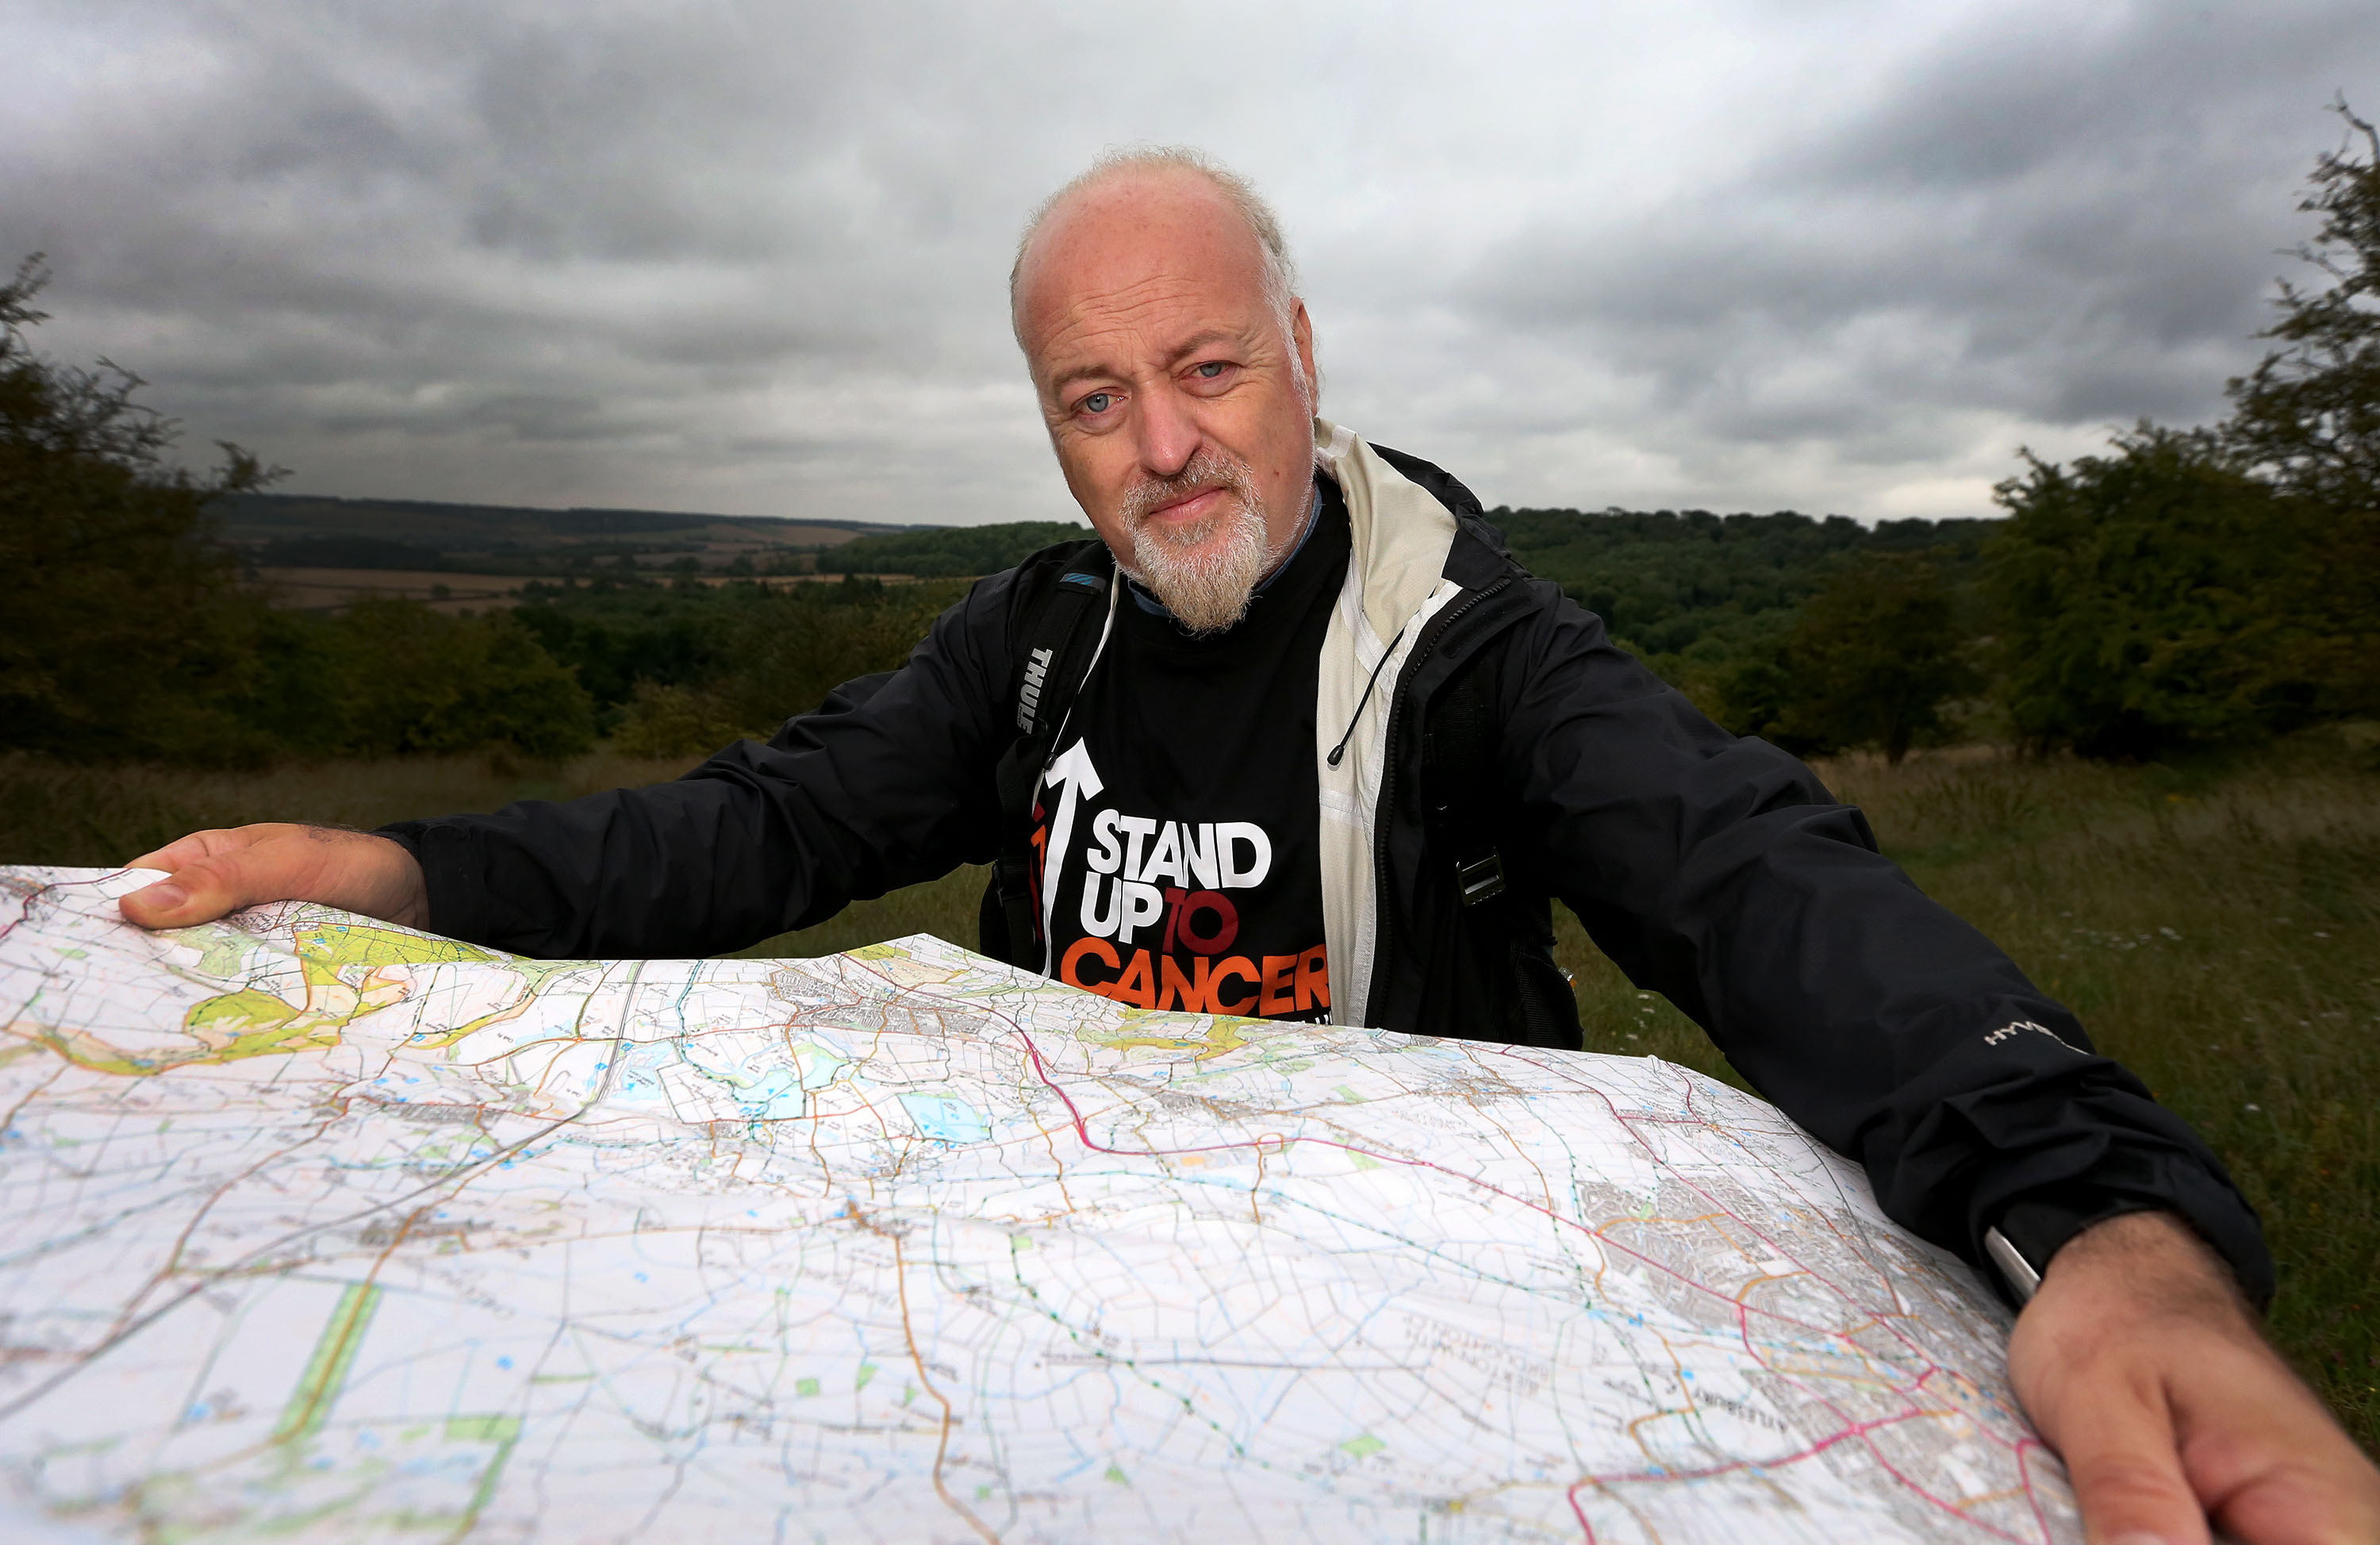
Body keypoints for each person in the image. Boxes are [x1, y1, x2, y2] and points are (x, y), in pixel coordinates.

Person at [121, 148, 2378, 1543]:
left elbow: (1761, 877)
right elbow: (751, 828)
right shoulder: (1028, 644)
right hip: (1038, 1330)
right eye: (1095, 401)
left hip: (1384, 1348)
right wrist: (413, 873)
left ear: (1301, 348)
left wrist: (2100, 1216)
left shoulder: (1476, 649)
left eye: (1204, 366)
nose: (1163, 444)